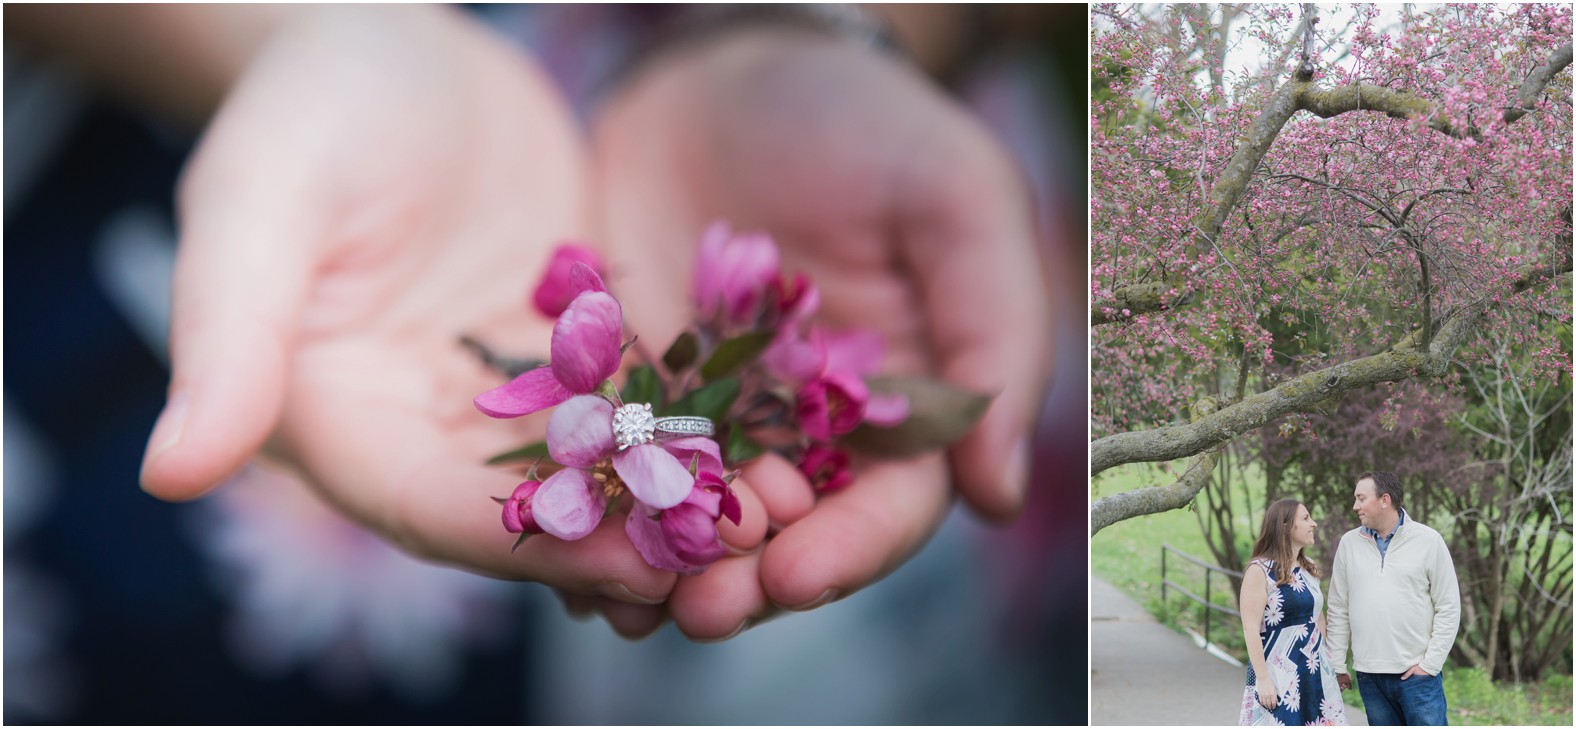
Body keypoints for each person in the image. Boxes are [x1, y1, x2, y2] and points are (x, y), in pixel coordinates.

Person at [10, 4, 1051, 641]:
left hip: (839, 189)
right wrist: (289, 26)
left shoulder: (669, 403)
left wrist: (843, 24)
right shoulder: (609, 411)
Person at [1328, 471, 1461, 726]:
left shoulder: (1428, 541)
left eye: (1361, 498)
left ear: (1384, 500)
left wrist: (1430, 666)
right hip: (1369, 676)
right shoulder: (1349, 544)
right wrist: (1337, 664)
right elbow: (1338, 608)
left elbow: (1449, 606)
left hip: (1417, 677)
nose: (1355, 506)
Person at [1237, 499, 1349, 726]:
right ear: (1286, 526)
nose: (1314, 524)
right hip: (1278, 675)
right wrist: (1263, 679)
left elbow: (1318, 617)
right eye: (1306, 518)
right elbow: (1250, 628)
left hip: (1314, 672)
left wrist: (1328, 666)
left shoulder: (1309, 566)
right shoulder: (1260, 571)